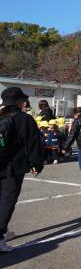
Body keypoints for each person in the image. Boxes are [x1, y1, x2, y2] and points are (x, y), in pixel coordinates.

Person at [0, 87, 44, 252]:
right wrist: (36, 164)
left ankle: (3, 231)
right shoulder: (24, 119)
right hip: (13, 167)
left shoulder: (1, 116)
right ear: (19, 101)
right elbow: (33, 144)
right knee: (7, 201)